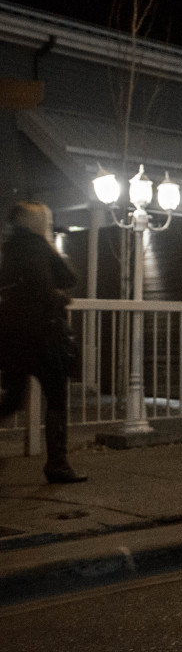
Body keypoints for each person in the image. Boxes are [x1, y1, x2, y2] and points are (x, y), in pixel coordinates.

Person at [0, 201, 85, 483]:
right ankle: (57, 464)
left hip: (13, 336)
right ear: (39, 224)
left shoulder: (9, 250)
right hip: (43, 337)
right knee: (57, 398)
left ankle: (58, 465)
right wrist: (60, 298)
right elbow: (63, 280)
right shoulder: (38, 249)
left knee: (12, 397)